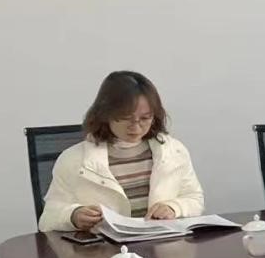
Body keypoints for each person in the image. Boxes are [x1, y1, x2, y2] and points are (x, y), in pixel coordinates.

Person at [39, 71, 205, 232]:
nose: (136, 127)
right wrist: (73, 215)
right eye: (126, 118)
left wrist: (174, 208)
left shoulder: (174, 151)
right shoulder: (73, 160)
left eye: (145, 118)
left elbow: (195, 199)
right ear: (105, 114)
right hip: (105, 249)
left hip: (161, 245)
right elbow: (48, 219)